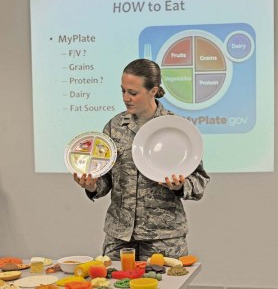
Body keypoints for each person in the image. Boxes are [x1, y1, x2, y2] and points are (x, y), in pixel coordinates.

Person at [73, 59, 210, 261]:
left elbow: (199, 182)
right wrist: (92, 185)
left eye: (133, 93)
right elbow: (105, 180)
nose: (126, 98)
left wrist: (180, 186)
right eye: (123, 91)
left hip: (163, 238)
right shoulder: (114, 127)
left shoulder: (177, 129)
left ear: (153, 91)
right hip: (119, 235)